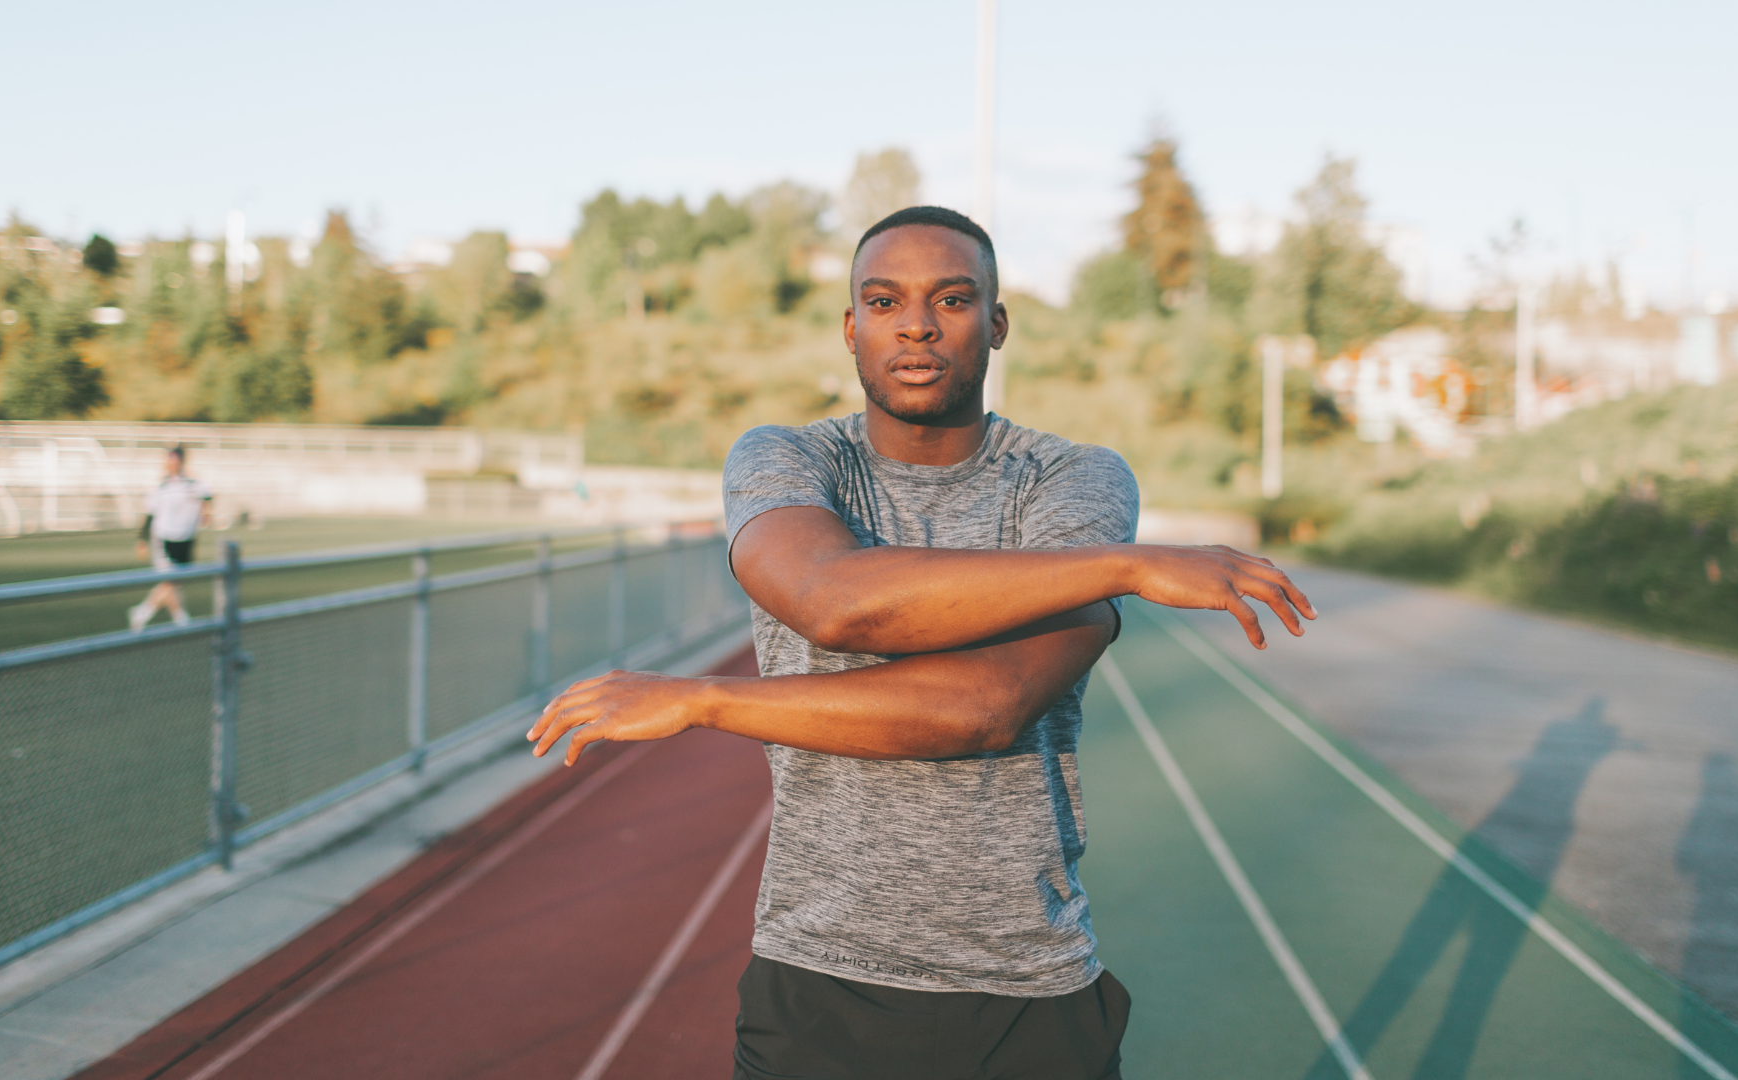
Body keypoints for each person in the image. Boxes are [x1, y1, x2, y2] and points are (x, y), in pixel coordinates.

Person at [528, 206, 1317, 1079]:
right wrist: (1119, 567)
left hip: (1026, 987)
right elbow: (833, 603)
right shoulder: (788, 460)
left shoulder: (1073, 480)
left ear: (998, 323)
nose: (915, 323)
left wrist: (704, 701)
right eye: (883, 300)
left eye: (952, 298)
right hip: (818, 982)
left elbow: (985, 706)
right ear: (850, 327)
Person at [129, 446, 212, 631]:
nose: (172, 464)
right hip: (164, 538)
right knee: (169, 581)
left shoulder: (193, 484)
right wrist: (142, 540)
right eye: (169, 460)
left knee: (175, 582)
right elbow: (149, 514)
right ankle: (168, 617)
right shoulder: (161, 487)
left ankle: (173, 617)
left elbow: (207, 497)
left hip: (187, 538)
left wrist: (205, 515)